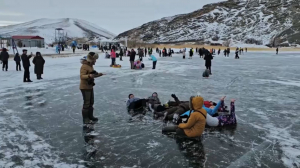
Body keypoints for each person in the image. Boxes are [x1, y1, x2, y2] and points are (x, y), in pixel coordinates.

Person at [80, 52, 104, 124]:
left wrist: (99, 74)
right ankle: (85, 119)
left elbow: (92, 75)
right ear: (91, 59)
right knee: (86, 103)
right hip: (85, 87)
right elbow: (82, 76)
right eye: (95, 60)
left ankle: (91, 116)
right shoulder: (84, 66)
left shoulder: (90, 66)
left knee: (91, 102)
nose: (95, 61)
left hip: (90, 86)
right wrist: (89, 76)